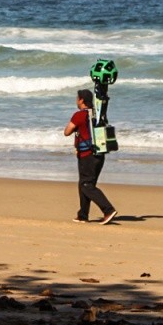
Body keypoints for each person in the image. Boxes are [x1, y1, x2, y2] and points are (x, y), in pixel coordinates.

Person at [64, 88, 118, 225]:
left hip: (87, 154)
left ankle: (108, 210)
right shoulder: (98, 115)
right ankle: (83, 215)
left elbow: (67, 131)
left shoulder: (79, 115)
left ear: (81, 100)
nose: (76, 101)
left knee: (86, 184)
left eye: (77, 98)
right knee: (86, 184)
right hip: (99, 153)